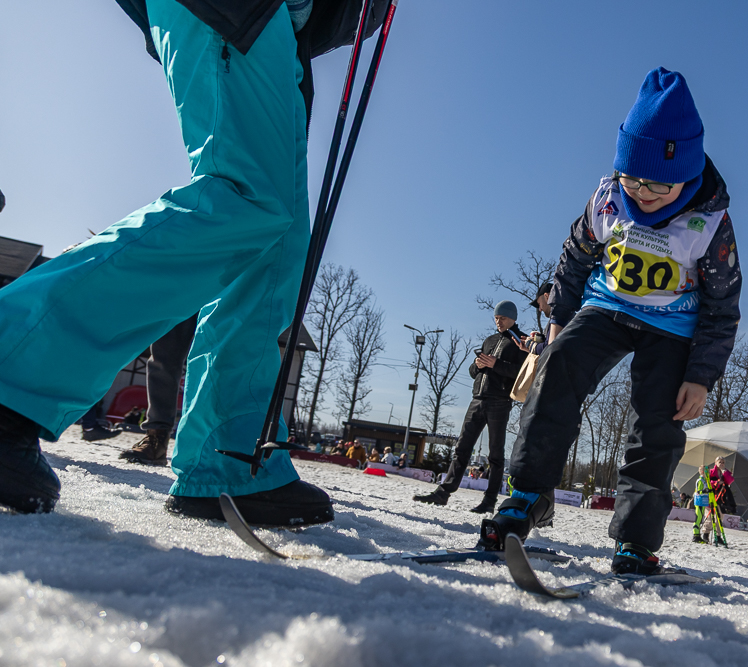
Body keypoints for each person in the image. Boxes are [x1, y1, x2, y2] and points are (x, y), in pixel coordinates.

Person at [0, 0, 389, 522]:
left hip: (274, 30)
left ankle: (229, 456)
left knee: (273, 242)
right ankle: (11, 377)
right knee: (248, 197)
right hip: (242, 10)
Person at [477, 68, 742, 577]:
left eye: (658, 184)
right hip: (607, 307)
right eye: (633, 178)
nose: (642, 192)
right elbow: (574, 260)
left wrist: (700, 375)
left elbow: (723, 304)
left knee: (657, 422)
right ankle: (527, 495)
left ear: (685, 172)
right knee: (556, 372)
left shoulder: (709, 222)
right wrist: (558, 321)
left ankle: (636, 541)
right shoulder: (607, 199)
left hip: (673, 326)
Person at [414, 301, 527, 514]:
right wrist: (478, 365)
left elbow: (521, 373)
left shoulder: (519, 341)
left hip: (500, 401)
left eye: (502, 318)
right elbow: (473, 371)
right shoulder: (490, 340)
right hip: (477, 398)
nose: (498, 321)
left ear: (512, 318)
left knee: (495, 454)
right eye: (496, 318)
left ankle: (489, 500)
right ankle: (443, 493)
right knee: (462, 448)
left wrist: (497, 365)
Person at [120, 315, 199, 465]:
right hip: (185, 294)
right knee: (164, 355)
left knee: (216, 359)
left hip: (224, 295)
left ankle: (212, 442)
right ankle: (157, 438)